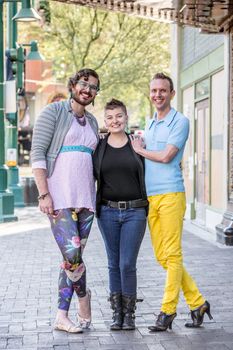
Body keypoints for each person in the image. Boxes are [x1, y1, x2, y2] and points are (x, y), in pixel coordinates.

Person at [130, 73, 212, 332]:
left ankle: (167, 311)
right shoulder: (151, 123)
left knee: (173, 254)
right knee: (162, 256)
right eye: (153, 90)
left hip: (172, 195)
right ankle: (198, 303)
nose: (157, 95)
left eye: (162, 91)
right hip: (151, 197)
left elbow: (166, 156)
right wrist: (139, 145)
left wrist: (140, 150)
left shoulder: (181, 121)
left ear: (172, 93)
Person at [31, 68, 100, 333]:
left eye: (93, 87)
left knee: (72, 258)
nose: (87, 89)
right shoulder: (54, 113)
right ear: (73, 85)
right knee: (72, 256)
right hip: (59, 198)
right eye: (84, 83)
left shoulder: (92, 122)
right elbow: (37, 153)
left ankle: (64, 314)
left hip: (86, 200)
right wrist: (44, 193)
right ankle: (80, 302)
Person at [93, 99, 148, 331]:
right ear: (105, 121)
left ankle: (130, 314)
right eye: (110, 117)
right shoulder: (99, 147)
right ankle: (117, 314)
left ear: (126, 117)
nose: (114, 121)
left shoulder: (138, 145)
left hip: (135, 212)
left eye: (119, 116)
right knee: (113, 264)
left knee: (127, 264)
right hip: (107, 212)